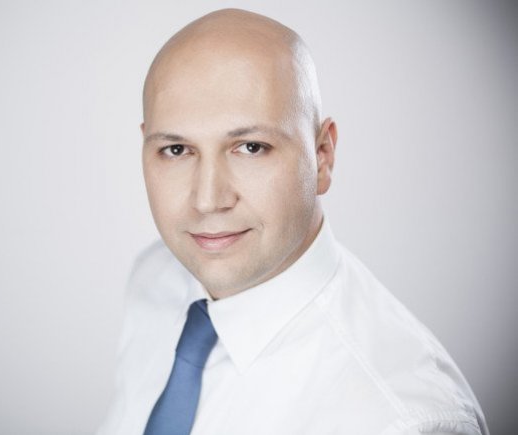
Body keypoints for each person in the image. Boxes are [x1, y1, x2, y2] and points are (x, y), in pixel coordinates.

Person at [97, 8, 488, 435]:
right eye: (176, 150)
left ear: (322, 157)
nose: (207, 200)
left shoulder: (401, 418)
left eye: (251, 147)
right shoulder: (155, 278)